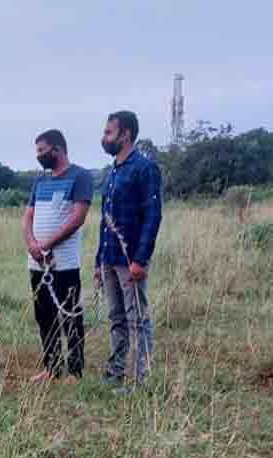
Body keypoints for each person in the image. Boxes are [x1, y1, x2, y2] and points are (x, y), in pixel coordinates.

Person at [97, 111, 163, 394]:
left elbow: (152, 216)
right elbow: (105, 219)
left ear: (125, 134)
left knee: (137, 319)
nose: (104, 137)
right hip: (109, 258)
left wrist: (140, 258)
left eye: (109, 132)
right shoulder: (113, 170)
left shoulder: (144, 168)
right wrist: (99, 261)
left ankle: (140, 380)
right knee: (117, 317)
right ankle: (116, 371)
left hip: (129, 260)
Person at [23, 129, 93, 384]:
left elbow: (77, 218)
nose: (39, 156)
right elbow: (28, 216)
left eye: (42, 151)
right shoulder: (39, 181)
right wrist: (32, 244)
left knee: (70, 316)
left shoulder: (80, 177)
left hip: (64, 263)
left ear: (58, 149)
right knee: (44, 316)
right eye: (37, 152)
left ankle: (74, 371)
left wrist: (48, 245)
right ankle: (51, 367)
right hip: (37, 263)